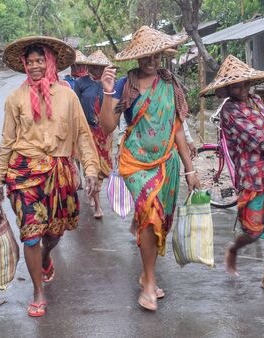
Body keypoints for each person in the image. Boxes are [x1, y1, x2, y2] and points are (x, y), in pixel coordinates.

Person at [0, 36, 99, 317]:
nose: (35, 65)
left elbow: (84, 136)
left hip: (59, 173)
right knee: (31, 233)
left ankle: (47, 255)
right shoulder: (15, 98)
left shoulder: (67, 96)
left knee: (54, 232)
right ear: (24, 65)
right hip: (23, 173)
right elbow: (6, 141)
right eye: (30, 61)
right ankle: (38, 292)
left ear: (50, 62)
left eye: (40, 60)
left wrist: (90, 170)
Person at [99, 26, 200, 311]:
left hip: (167, 163)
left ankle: (147, 272)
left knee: (159, 222)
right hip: (135, 164)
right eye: (146, 56)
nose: (151, 61)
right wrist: (107, 94)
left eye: (156, 55)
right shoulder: (124, 85)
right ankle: (148, 283)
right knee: (148, 213)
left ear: (162, 56)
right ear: (137, 57)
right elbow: (107, 126)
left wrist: (190, 171)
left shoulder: (170, 85)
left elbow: (177, 130)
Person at [199, 55, 264, 296]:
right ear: (226, 89)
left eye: (245, 84)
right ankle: (234, 249)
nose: (243, 89)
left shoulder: (257, 100)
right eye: (236, 86)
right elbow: (256, 138)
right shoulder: (229, 111)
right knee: (253, 230)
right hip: (253, 174)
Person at [73, 50, 115, 218]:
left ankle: (94, 190)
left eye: (101, 68)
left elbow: (114, 108)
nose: (98, 71)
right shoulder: (80, 83)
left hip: (104, 132)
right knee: (92, 166)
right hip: (87, 131)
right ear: (89, 67)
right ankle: (97, 205)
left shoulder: (110, 84)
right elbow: (74, 106)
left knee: (104, 168)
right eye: (94, 67)